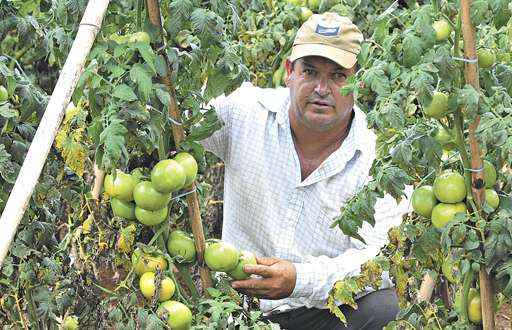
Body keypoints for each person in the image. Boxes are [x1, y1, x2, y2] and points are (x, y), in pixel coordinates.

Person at [200, 12, 411, 329]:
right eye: (310, 72)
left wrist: (299, 280)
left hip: (322, 313)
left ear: (359, 80)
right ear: (289, 72)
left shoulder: (381, 159)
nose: (322, 88)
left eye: (338, 76)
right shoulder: (245, 113)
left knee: (384, 309)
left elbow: (382, 260)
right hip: (233, 306)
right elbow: (178, 118)